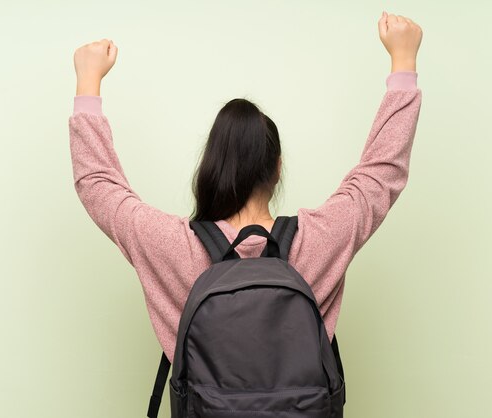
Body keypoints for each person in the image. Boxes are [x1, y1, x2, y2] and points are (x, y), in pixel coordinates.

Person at [68, 11, 423, 365]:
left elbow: (98, 185)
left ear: (212, 167)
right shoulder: (319, 238)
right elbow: (381, 173)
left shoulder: (174, 246)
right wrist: (403, 63)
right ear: (278, 167)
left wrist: (88, 82)